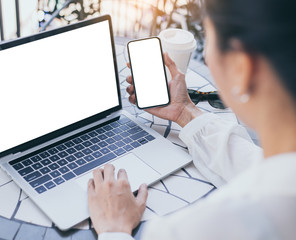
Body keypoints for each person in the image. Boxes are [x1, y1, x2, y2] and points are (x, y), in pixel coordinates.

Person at [87, 0, 296, 239]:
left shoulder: (202, 228)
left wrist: (114, 230)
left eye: (209, 37)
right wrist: (184, 111)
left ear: (242, 68)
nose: (206, 54)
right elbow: (255, 164)